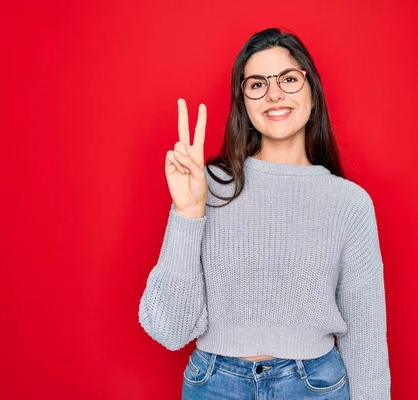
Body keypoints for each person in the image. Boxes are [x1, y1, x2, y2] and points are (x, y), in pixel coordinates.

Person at [138, 27, 391, 399]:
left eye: (289, 79)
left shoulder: (348, 204)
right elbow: (169, 328)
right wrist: (187, 213)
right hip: (214, 385)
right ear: (244, 101)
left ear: (312, 92)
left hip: (314, 387)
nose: (274, 93)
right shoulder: (206, 186)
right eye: (257, 84)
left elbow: (366, 342)